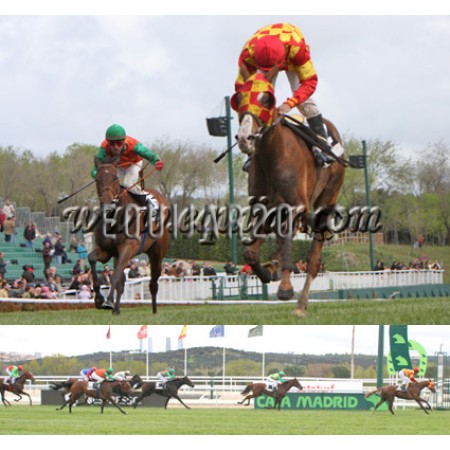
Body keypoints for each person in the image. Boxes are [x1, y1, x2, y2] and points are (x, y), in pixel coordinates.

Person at [235, 22, 336, 167]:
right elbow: (242, 90)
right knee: (257, 98)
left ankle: (323, 142)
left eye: (271, 69)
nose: (269, 73)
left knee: (302, 99)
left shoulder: (297, 50)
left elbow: (309, 82)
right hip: (262, 58)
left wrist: (290, 104)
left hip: (290, 54)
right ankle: (252, 148)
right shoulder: (247, 55)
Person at [91, 124, 164, 219]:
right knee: (108, 181)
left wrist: (156, 161)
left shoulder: (134, 145)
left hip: (133, 164)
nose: (116, 147)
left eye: (119, 143)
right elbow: (95, 169)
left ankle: (150, 202)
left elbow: (148, 154)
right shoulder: (104, 148)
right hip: (118, 165)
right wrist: (100, 176)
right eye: (112, 144)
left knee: (128, 184)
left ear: (124, 141)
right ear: (108, 143)